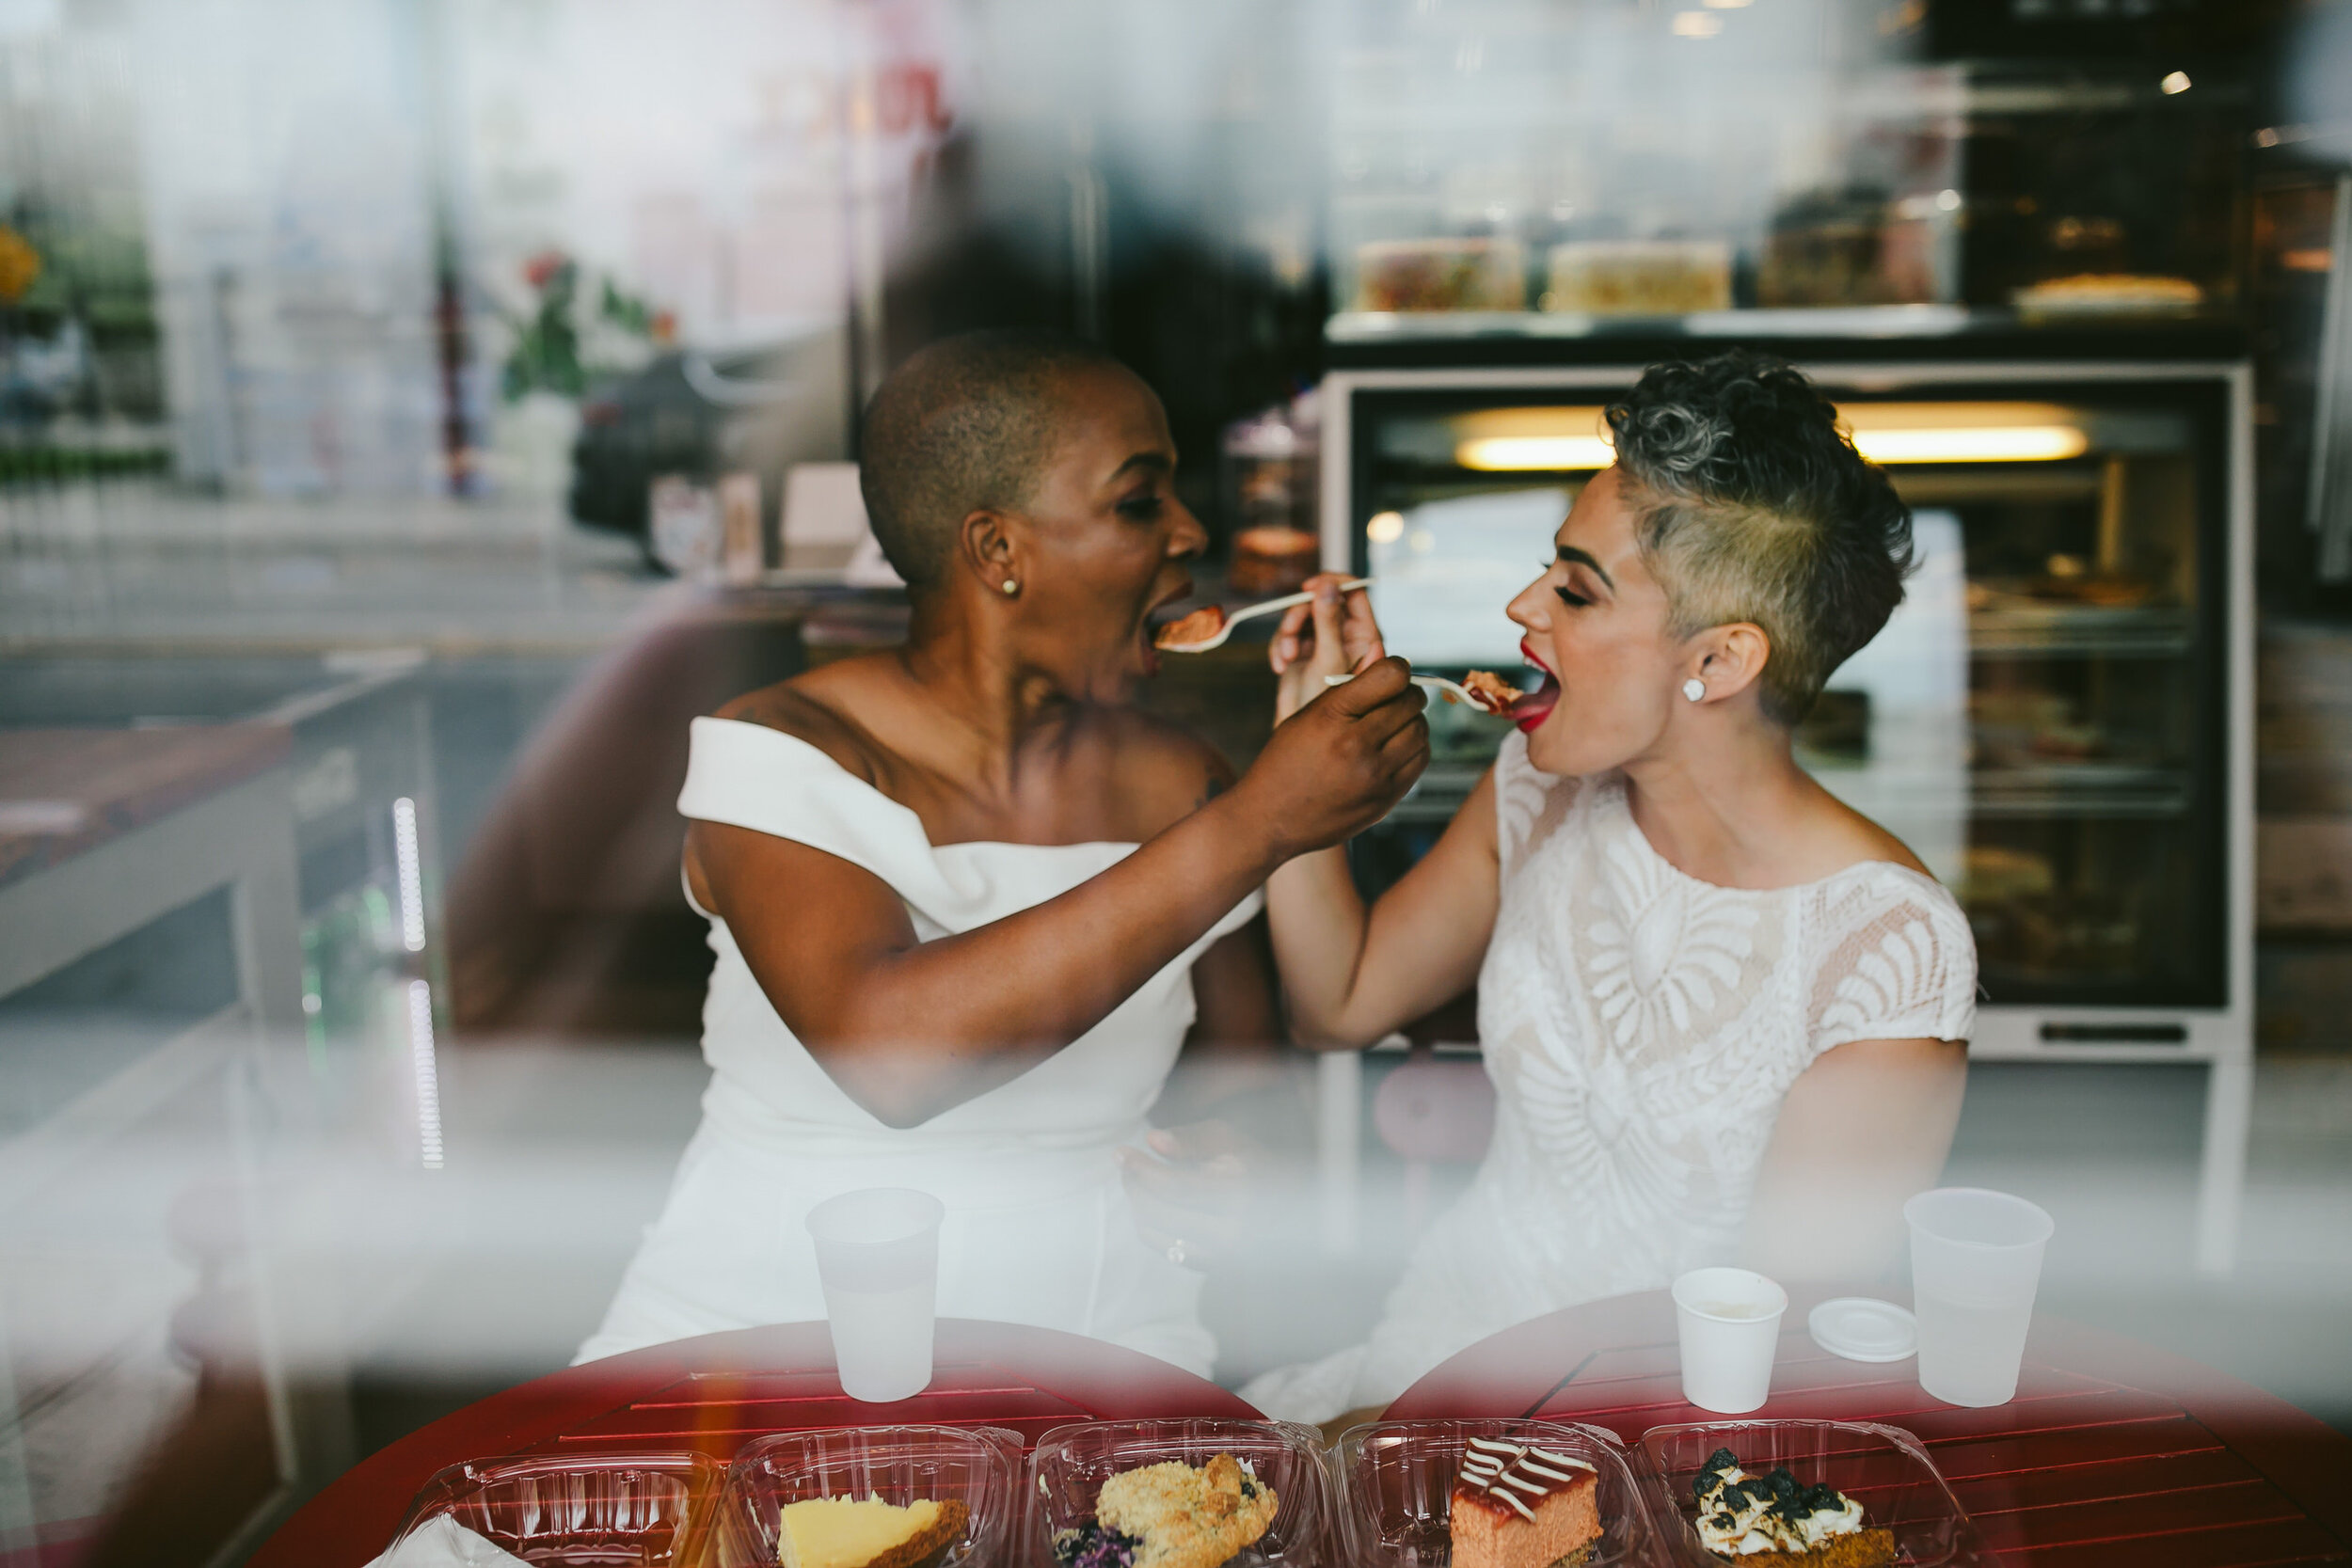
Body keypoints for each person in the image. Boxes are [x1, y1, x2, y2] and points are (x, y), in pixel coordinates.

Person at [578, 329, 1429, 1370]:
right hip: (760, 1333)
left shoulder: (1180, 780)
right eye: (1137, 500)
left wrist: (1234, 1168)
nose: (1188, 532)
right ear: (997, 551)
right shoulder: (781, 752)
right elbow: (889, 1056)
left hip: (1095, 1329)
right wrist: (1259, 823)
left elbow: (1244, 1089)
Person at [1243, 352, 1978, 1423]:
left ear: (1720, 663)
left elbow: (1771, 1367)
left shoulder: (1884, 950)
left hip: (1643, 1449)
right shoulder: (1539, 793)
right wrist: (1301, 758)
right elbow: (1336, 1001)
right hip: (1425, 1359)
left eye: (1575, 589)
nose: (1520, 605)